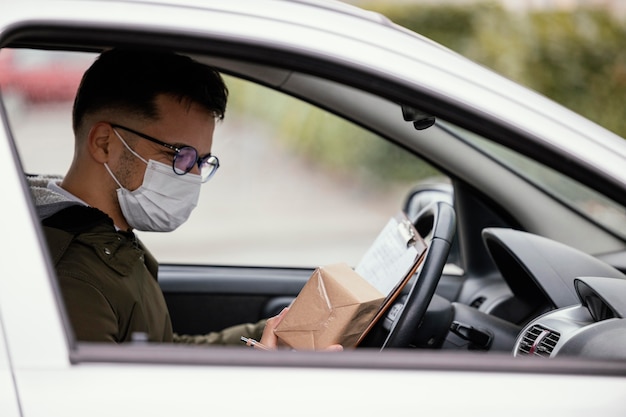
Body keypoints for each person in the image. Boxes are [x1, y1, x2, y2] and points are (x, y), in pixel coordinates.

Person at [28, 48, 288, 348]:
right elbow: (109, 394)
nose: (192, 176)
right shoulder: (71, 279)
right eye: (180, 155)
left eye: (201, 161)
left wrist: (272, 336)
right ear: (104, 143)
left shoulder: (107, 238)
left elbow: (157, 350)